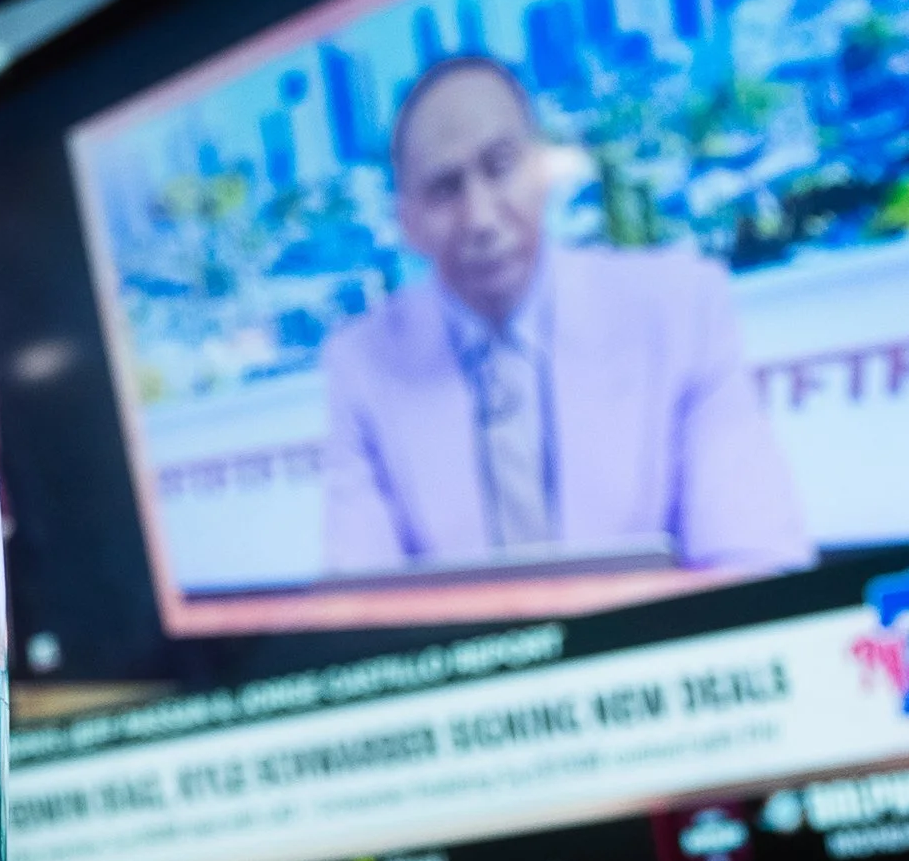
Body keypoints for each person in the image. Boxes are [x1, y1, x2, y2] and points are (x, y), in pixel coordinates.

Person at [319, 53, 808, 580]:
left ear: (541, 170)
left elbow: (756, 557)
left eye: (500, 166)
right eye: (445, 189)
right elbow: (359, 606)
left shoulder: (680, 307)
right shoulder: (361, 366)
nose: (480, 218)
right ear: (407, 222)